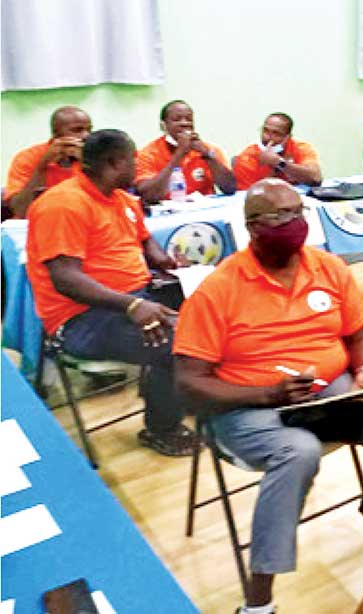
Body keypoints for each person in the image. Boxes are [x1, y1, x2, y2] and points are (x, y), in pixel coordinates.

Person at [172, 179, 363, 613]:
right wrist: (268, 394)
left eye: (298, 213)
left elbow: (360, 337)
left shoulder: (329, 268)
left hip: (328, 395)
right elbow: (189, 382)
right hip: (246, 406)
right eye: (279, 217)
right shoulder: (219, 288)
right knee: (299, 451)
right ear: (252, 227)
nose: (293, 224)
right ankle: (258, 603)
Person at [25, 129, 198, 456]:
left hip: (135, 296)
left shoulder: (122, 198)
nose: (137, 167)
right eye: (133, 161)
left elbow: (144, 239)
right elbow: (66, 279)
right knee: (181, 344)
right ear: (115, 163)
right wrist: (132, 305)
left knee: (208, 311)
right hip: (81, 318)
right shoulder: (63, 204)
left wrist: (165, 260)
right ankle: (163, 428)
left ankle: (175, 391)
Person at [135, 100, 236, 203]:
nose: (185, 123)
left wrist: (207, 155)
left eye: (189, 119)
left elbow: (230, 188)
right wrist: (180, 153)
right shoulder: (147, 154)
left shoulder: (208, 150)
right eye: (177, 119)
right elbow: (149, 195)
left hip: (205, 211)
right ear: (163, 125)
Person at [3, 106, 91, 219]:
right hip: (36, 222)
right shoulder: (28, 157)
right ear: (55, 133)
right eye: (77, 130)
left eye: (89, 130)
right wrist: (42, 167)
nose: (86, 135)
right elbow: (21, 210)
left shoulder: (93, 157)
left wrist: (86, 163)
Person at [233, 112, 323, 190]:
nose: (268, 137)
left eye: (276, 133)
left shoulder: (300, 148)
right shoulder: (246, 158)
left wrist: (279, 163)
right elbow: (247, 198)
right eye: (265, 131)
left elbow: (316, 179)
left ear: (288, 137)